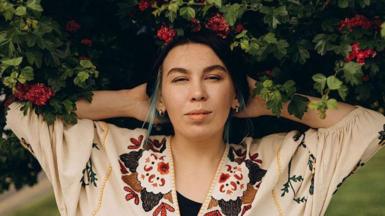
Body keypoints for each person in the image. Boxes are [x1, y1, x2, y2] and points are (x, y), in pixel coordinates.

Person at [5, 30, 385, 216]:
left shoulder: (278, 165)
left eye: (215, 78)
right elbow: (16, 111)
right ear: (163, 98)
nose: (198, 93)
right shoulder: (110, 157)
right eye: (180, 79)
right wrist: (132, 103)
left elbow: (370, 128)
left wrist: (273, 100)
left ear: (235, 94)